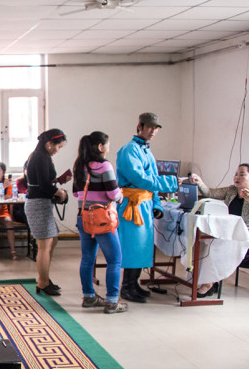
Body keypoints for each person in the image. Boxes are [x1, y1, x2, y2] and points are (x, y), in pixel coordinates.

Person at [116, 112, 179, 303]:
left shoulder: (146, 151)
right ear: (140, 126)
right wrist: (173, 182)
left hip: (144, 204)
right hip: (132, 206)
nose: (153, 131)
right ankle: (126, 287)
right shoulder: (129, 150)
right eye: (150, 127)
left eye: (156, 128)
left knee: (142, 246)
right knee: (132, 247)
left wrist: (157, 204)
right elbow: (140, 179)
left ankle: (134, 283)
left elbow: (151, 181)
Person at [189, 164, 249, 296]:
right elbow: (210, 193)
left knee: (217, 246)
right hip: (229, 234)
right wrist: (200, 183)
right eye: (236, 174)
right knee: (205, 243)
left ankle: (209, 284)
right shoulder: (232, 190)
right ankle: (210, 281)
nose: (237, 177)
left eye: (242, 174)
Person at [72, 132, 127, 314]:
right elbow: (113, 194)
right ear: (100, 147)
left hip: (83, 217)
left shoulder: (79, 165)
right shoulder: (104, 166)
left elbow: (75, 193)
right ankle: (112, 301)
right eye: (108, 145)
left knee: (87, 259)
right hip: (102, 219)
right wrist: (120, 197)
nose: (109, 148)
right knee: (115, 260)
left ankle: (89, 297)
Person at [24, 128, 68, 296]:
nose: (58, 150)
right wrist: (60, 192)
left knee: (52, 240)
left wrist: (57, 181)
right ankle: (42, 282)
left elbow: (42, 181)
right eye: (59, 146)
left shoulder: (41, 156)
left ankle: (44, 278)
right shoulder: (40, 157)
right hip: (38, 204)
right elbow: (44, 185)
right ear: (49, 144)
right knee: (44, 245)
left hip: (41, 203)